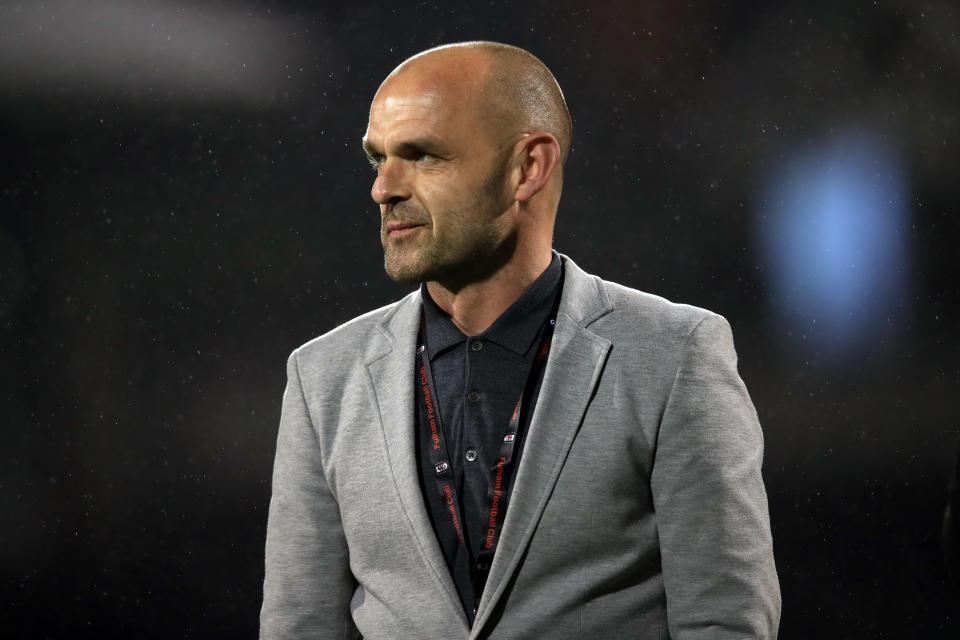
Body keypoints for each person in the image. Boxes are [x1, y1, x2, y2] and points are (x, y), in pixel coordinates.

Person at [260, 41, 780, 639]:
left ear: (528, 168)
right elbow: (298, 626)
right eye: (377, 159)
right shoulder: (322, 376)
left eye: (422, 155)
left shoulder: (674, 355)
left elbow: (724, 622)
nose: (383, 189)